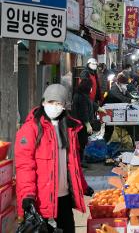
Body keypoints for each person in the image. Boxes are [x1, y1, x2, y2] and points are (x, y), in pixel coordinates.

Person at [15, 84, 93, 233]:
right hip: (40, 199)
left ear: (64, 106)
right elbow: (25, 166)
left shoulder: (69, 128)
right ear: (43, 102)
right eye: (51, 102)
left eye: (59, 103)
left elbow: (73, 164)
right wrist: (27, 195)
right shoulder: (30, 129)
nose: (54, 106)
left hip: (63, 196)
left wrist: (83, 186)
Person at [71, 79, 105, 167]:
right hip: (80, 124)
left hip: (80, 123)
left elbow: (91, 103)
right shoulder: (81, 97)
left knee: (83, 142)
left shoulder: (83, 95)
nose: (91, 89)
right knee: (81, 142)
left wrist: (98, 108)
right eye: (90, 87)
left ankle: (80, 160)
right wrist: (87, 124)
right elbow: (83, 111)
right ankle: (80, 161)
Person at [103, 73, 134, 142]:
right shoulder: (114, 89)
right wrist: (130, 100)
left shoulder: (122, 87)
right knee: (109, 128)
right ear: (119, 83)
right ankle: (107, 142)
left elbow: (127, 94)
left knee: (116, 127)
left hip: (116, 111)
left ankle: (117, 141)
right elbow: (121, 98)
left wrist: (133, 99)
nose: (125, 86)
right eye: (124, 84)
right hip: (109, 111)